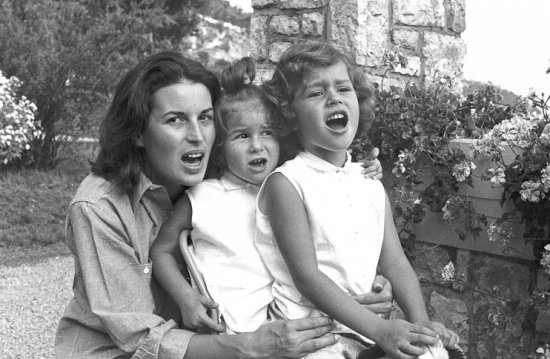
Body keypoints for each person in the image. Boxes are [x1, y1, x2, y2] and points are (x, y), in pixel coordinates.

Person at [54, 50, 391, 358]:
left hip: (210, 341)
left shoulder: (229, 172)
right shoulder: (99, 207)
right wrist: (249, 346)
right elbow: (140, 338)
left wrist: (361, 285)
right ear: (138, 132)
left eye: (204, 118)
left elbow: (315, 192)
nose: (197, 135)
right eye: (175, 120)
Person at [149, 57, 390, 336]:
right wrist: (185, 298)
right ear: (221, 146)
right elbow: (161, 250)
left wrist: (361, 169)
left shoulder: (292, 188)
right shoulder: (204, 196)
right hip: (229, 333)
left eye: (267, 133)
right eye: (241, 136)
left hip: (292, 325)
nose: (256, 146)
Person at [256, 42, 460, 359]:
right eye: (315, 93)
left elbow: (395, 262)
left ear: (358, 101)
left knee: (434, 354)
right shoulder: (288, 182)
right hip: (312, 335)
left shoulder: (369, 183)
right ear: (290, 114)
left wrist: (420, 325)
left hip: (366, 332)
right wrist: (379, 330)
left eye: (343, 88)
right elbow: (307, 277)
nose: (333, 98)